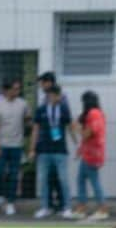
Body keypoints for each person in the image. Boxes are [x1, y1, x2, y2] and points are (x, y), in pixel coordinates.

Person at [29, 84, 79, 219]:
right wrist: (32, 149)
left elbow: (70, 127)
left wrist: (77, 144)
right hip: (43, 150)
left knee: (63, 179)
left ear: (59, 96)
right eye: (49, 95)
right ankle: (45, 207)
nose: (51, 97)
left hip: (60, 150)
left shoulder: (64, 109)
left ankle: (67, 208)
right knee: (43, 179)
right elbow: (36, 129)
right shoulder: (41, 110)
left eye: (54, 95)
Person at [0, 78, 28, 216]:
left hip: (16, 144)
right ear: (6, 90)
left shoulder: (22, 104)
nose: (17, 91)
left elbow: (27, 120)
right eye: (14, 89)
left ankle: (10, 202)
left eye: (18, 89)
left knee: (14, 174)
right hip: (2, 144)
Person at [74, 90, 108, 220]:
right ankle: (82, 207)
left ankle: (102, 208)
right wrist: (81, 149)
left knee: (94, 181)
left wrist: (76, 127)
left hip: (92, 154)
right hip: (91, 152)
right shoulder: (99, 113)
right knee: (81, 179)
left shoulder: (93, 114)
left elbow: (87, 134)